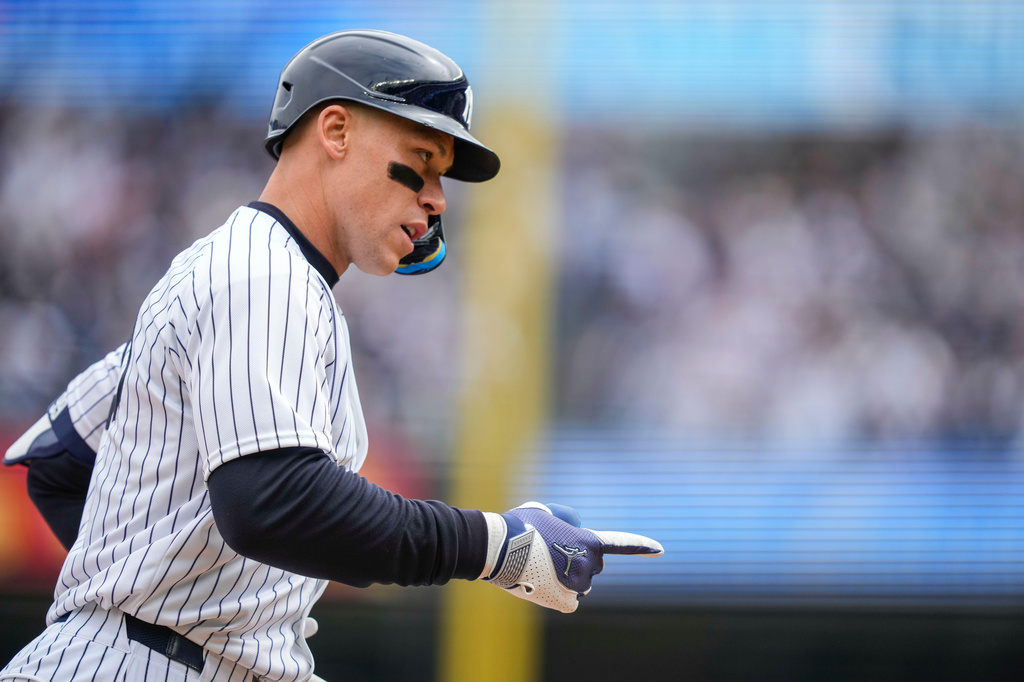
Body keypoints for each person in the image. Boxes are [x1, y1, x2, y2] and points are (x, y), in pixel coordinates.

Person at [1, 29, 663, 682]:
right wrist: (496, 546)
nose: (436, 199)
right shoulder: (262, 274)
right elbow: (275, 501)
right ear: (336, 132)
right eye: (421, 160)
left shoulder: (256, 273)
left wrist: (176, 585)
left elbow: (59, 459)